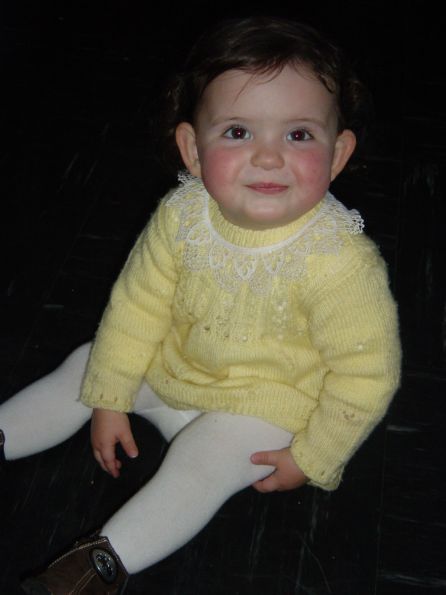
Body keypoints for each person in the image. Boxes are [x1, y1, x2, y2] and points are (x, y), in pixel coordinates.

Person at [1, 15, 401, 595]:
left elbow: (367, 375)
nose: (269, 157)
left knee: (203, 461)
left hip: (266, 411)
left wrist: (313, 455)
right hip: (176, 371)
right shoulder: (181, 217)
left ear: (337, 155)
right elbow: (137, 307)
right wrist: (109, 396)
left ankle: (97, 567)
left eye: (298, 135)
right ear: (192, 149)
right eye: (238, 132)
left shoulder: (341, 262)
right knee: (87, 362)